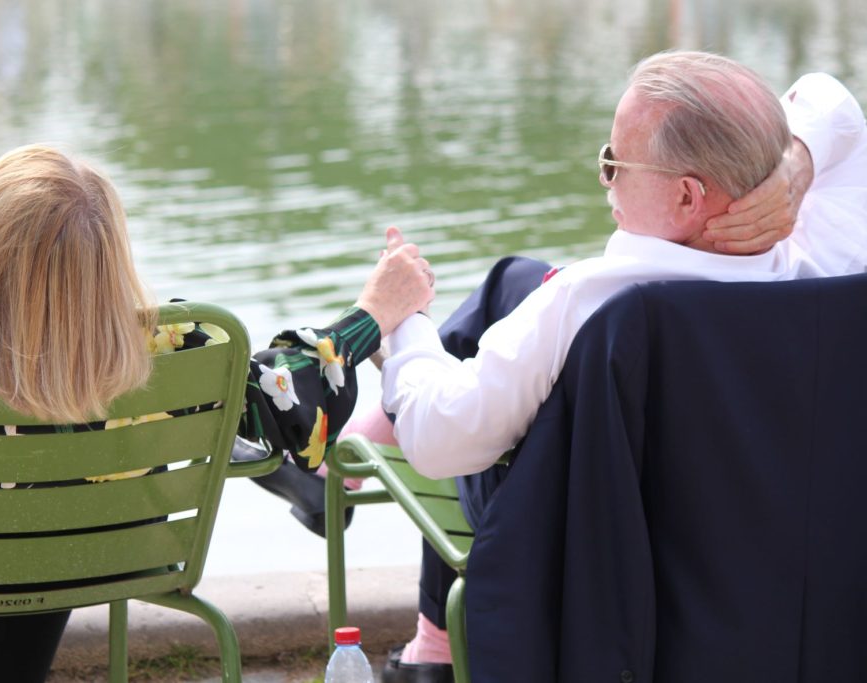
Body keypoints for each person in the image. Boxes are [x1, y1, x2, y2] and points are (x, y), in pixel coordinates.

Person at [0, 144, 434, 682]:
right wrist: (371, 314)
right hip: (80, 562)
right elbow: (289, 384)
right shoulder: (180, 352)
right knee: (47, 505)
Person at [369, 52, 867, 682]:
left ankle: (369, 458)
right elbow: (833, 104)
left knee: (478, 348)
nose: (603, 181)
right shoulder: (828, 264)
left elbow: (443, 442)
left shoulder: (593, 301)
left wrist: (405, 323)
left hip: (605, 549)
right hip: (768, 578)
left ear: (687, 195)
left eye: (612, 164)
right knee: (513, 283)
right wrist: (792, 165)